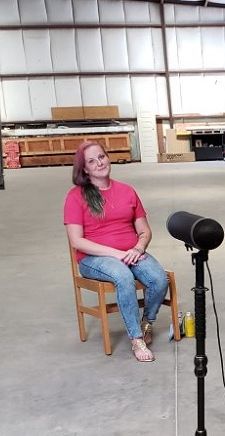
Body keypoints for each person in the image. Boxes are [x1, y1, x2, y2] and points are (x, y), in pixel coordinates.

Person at [64, 140, 169, 362]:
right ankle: (136, 339)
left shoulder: (127, 191)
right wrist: (117, 254)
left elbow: (145, 231)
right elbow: (77, 241)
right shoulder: (76, 197)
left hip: (131, 252)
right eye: (92, 161)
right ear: (84, 169)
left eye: (101, 157)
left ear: (107, 157)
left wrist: (138, 247)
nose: (99, 163)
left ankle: (147, 322)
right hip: (94, 258)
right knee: (123, 276)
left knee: (159, 278)